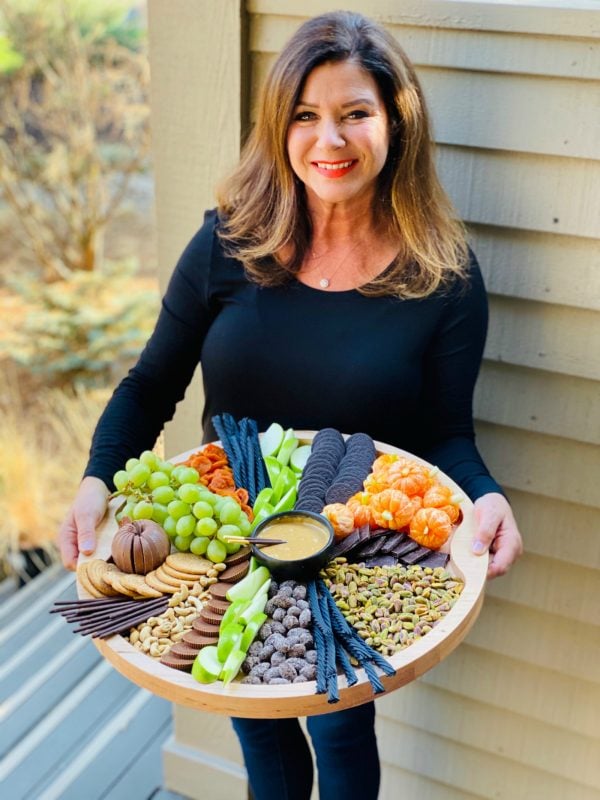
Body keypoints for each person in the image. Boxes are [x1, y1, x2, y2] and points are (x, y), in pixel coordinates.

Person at [58, 10, 523, 800]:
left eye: (355, 115)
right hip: (229, 540)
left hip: (349, 552)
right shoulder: (227, 243)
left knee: (341, 726)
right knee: (263, 736)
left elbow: (447, 431)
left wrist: (485, 498)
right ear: (279, 128)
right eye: (305, 116)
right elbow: (149, 385)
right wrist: (97, 481)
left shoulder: (441, 276)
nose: (329, 141)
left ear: (395, 125)